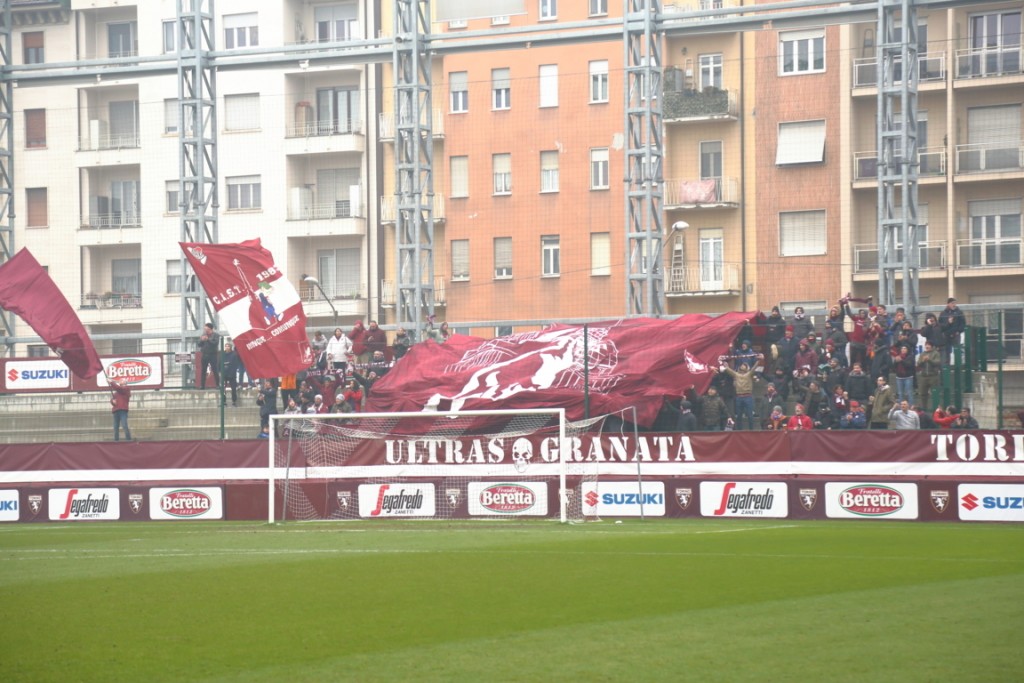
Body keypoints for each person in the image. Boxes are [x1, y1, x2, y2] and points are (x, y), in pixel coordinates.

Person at [721, 362, 758, 430]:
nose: (742, 366)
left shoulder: (749, 374)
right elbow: (730, 371)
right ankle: (739, 430)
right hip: (739, 396)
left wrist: (758, 361)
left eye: (744, 365)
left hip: (748, 396)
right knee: (739, 415)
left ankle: (751, 430)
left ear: (747, 368)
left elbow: (754, 368)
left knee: (750, 415)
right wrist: (726, 366)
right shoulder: (736, 374)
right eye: (741, 365)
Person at [915, 341, 942, 410]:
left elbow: (937, 362)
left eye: (928, 345)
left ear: (932, 346)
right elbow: (918, 364)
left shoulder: (936, 353)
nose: (927, 346)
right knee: (923, 394)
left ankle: (936, 409)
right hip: (924, 376)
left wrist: (929, 360)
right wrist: (923, 361)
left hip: (933, 376)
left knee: (935, 393)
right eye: (926, 345)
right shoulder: (922, 354)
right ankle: (924, 409)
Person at [939, 297, 966, 364]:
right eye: (952, 303)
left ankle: (958, 367)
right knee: (946, 352)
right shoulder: (943, 313)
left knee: (957, 351)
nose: (954, 305)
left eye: (955, 303)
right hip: (946, 335)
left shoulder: (959, 312)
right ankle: (946, 368)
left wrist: (959, 331)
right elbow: (940, 324)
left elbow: (963, 323)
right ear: (948, 304)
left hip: (956, 335)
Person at [198, 322, 219, 389]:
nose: (205, 329)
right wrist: (201, 340)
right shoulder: (203, 334)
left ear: (210, 328)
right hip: (204, 354)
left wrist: (208, 340)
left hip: (213, 355)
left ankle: (218, 385)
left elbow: (215, 343)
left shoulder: (216, 335)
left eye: (206, 328)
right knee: (203, 370)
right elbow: (199, 345)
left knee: (215, 370)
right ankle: (202, 385)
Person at [223, 342, 242, 407]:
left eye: (228, 346)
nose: (227, 347)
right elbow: (219, 364)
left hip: (232, 374)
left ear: (230, 347)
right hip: (224, 374)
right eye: (226, 346)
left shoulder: (234, 354)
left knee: (233, 389)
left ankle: (234, 401)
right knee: (223, 389)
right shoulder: (222, 354)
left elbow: (235, 364)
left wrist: (232, 372)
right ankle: (224, 402)